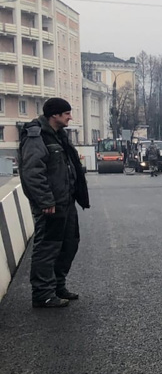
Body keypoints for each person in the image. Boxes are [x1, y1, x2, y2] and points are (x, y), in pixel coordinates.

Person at [18, 97, 90, 309]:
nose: (70, 116)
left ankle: (57, 286)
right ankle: (42, 293)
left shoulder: (59, 136)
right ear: (55, 115)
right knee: (48, 247)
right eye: (67, 113)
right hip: (50, 203)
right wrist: (45, 200)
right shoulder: (36, 136)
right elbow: (32, 172)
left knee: (69, 243)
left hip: (65, 201)